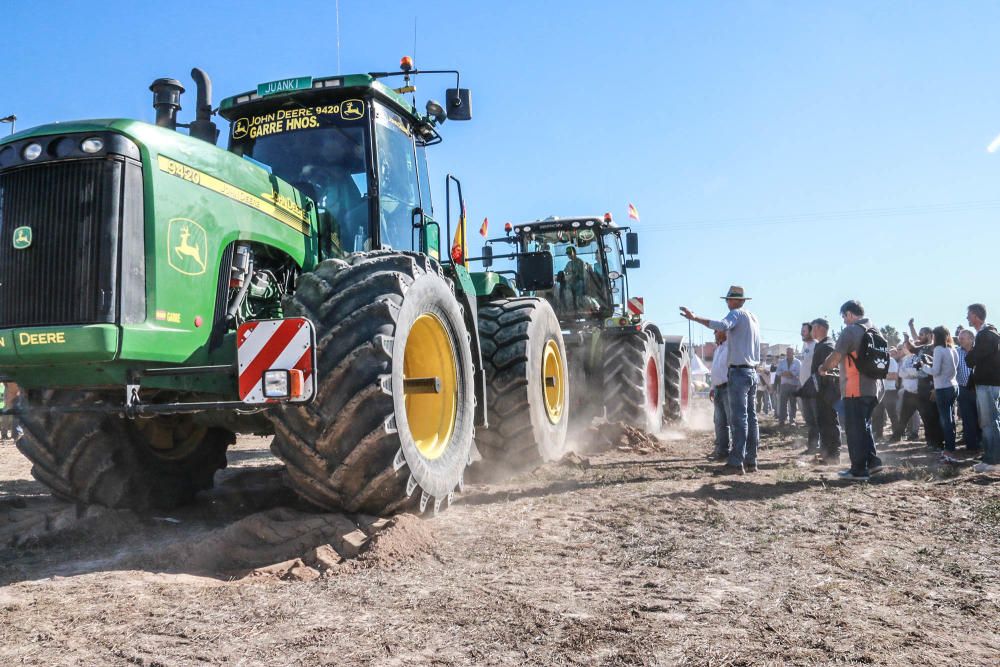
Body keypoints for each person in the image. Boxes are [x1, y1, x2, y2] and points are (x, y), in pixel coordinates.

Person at [680, 285, 761, 474]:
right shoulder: (753, 319)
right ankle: (751, 460)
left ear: (737, 301)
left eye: (729, 299)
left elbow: (722, 325)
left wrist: (695, 318)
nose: (727, 303)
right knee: (751, 418)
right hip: (751, 372)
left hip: (740, 373)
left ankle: (736, 462)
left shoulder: (737, 314)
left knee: (739, 419)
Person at [817, 300, 884, 480]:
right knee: (864, 426)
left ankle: (858, 470)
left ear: (849, 314)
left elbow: (836, 356)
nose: (844, 321)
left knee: (855, 430)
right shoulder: (874, 329)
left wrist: (823, 368)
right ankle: (873, 462)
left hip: (855, 388)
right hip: (874, 388)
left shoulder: (851, 331)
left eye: (844, 317)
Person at [964, 303, 1000, 473]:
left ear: (976, 316)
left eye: (969, 315)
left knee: (989, 422)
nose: (967, 318)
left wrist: (970, 349)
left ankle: (993, 461)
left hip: (988, 384)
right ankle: (990, 458)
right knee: (988, 422)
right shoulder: (986, 334)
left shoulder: (987, 335)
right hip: (987, 384)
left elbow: (972, 360)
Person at [905, 324, 945, 448]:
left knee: (934, 416)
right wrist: (907, 339)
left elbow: (939, 369)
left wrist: (934, 388)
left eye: (922, 334)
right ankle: (930, 442)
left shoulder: (936, 348)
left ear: (929, 335)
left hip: (932, 386)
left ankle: (938, 443)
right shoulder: (924, 347)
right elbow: (912, 348)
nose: (919, 336)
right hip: (921, 387)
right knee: (926, 416)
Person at [811, 318, 842, 463]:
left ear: (819, 328)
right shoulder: (822, 345)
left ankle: (833, 454)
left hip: (828, 391)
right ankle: (826, 453)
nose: (811, 331)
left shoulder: (828, 346)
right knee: (823, 422)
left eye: (813, 328)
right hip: (822, 390)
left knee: (829, 421)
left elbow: (832, 370)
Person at [928, 325, 959, 459]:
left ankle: (949, 450)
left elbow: (935, 371)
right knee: (951, 419)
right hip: (953, 386)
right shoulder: (953, 349)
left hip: (942, 388)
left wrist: (923, 367)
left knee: (945, 420)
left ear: (936, 336)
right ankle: (952, 446)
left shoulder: (938, 349)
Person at [956, 329, 980, 452]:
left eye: (962, 338)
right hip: (963, 389)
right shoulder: (956, 352)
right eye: (959, 338)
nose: (960, 340)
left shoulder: (979, 350)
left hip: (979, 389)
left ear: (971, 338)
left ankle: (982, 444)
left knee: (981, 417)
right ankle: (971, 446)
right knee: (967, 417)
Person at [892, 347, 923, 442]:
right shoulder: (905, 359)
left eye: (906, 347)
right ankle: (897, 436)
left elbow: (918, 372)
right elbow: (901, 373)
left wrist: (908, 372)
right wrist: (910, 372)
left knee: (922, 415)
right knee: (903, 416)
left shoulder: (919, 358)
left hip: (919, 392)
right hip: (907, 391)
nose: (904, 349)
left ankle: (916, 433)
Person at [708, 330, 731, 461]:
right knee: (719, 422)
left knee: (731, 421)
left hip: (728, 388)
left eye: (716, 332)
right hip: (717, 389)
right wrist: (712, 387)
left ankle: (735, 452)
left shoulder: (730, 348)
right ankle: (722, 451)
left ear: (724, 333)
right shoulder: (718, 350)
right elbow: (715, 370)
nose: (715, 334)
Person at [798, 322, 819, 453]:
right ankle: (811, 446)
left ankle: (818, 446)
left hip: (814, 388)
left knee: (816, 418)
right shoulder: (805, 346)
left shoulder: (817, 345)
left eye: (804, 331)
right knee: (809, 418)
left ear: (811, 332)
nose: (801, 333)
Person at [872, 347, 900, 442]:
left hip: (890, 391)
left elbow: (893, 376)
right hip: (879, 391)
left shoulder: (891, 361)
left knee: (893, 415)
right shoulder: (876, 361)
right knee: (877, 415)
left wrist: (879, 374)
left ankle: (896, 436)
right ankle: (878, 435)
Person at [775, 347, 801, 426]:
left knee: (793, 403)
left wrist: (792, 375)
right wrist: (784, 373)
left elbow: (800, 374)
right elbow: (778, 372)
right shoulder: (782, 362)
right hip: (784, 385)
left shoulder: (798, 362)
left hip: (794, 385)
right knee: (783, 403)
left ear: (793, 353)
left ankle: (792, 420)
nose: (788, 354)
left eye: (790, 352)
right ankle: (782, 419)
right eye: (787, 352)